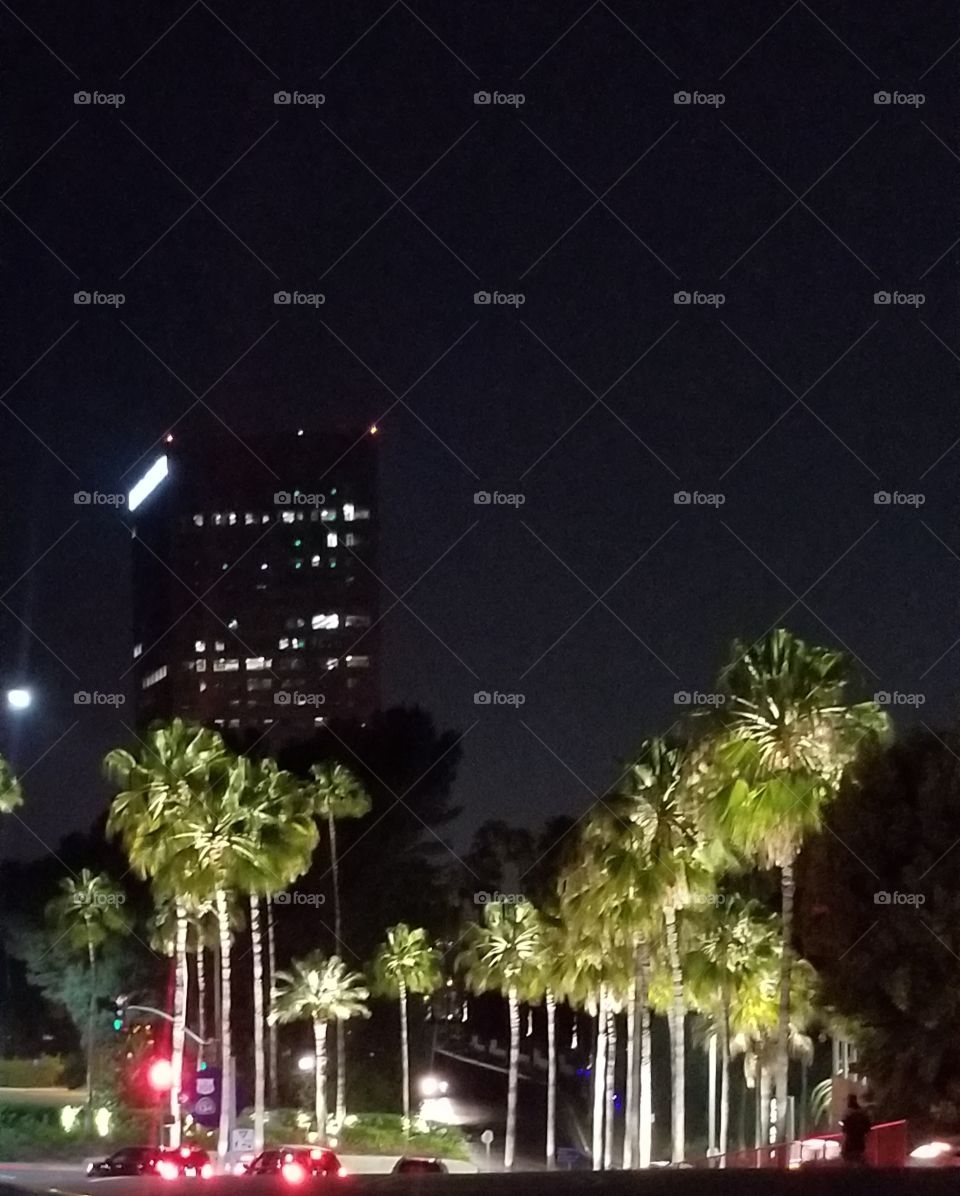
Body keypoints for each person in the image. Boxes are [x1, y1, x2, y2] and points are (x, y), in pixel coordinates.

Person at [841, 1093, 871, 1165]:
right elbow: (867, 1125)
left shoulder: (848, 1112)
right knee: (859, 1156)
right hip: (860, 1138)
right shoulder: (862, 1112)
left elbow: (844, 1125)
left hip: (850, 1139)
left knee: (847, 1156)